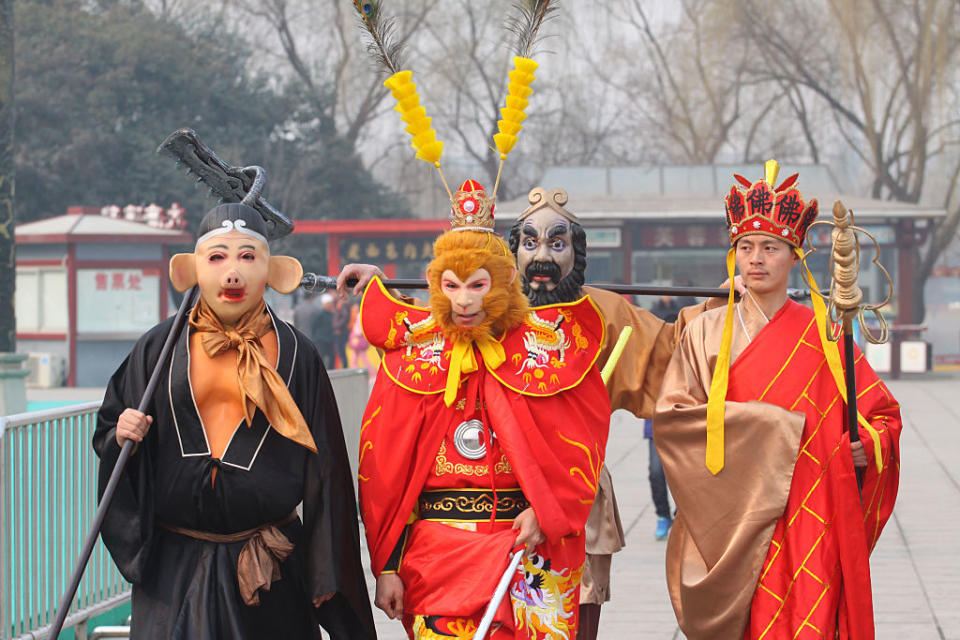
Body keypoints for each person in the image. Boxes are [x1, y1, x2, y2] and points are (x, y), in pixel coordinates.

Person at [92, 203, 375, 640]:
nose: (232, 273)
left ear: (274, 271)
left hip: (267, 567)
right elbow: (110, 428)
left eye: (247, 256)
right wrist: (122, 434)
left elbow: (326, 474)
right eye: (217, 257)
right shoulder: (158, 348)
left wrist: (329, 581)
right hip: (174, 567)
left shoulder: (298, 355)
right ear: (189, 270)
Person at [654, 162, 902, 639]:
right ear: (734, 255)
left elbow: (881, 414)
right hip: (735, 511)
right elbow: (674, 419)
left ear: (795, 256)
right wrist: (771, 427)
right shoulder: (706, 333)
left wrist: (868, 445)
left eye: (771, 247)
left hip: (810, 508)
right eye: (745, 247)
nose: (757, 258)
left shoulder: (826, 335)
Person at [356, 180, 611, 639]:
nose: (464, 300)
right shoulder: (415, 353)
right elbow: (385, 468)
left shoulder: (546, 345)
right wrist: (387, 565)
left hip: (527, 542)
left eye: (477, 285)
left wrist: (547, 510)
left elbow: (583, 441)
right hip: (436, 550)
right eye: (451, 285)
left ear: (506, 281)